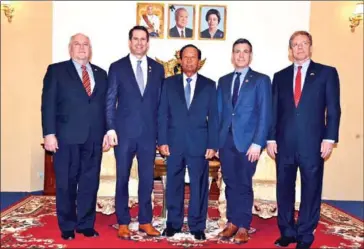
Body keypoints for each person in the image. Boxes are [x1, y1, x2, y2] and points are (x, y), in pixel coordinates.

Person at [267, 31, 341, 249]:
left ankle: (306, 233)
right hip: (284, 143)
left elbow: (334, 109)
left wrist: (329, 137)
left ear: (310, 47)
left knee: (311, 188)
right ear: (290, 50)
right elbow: (274, 111)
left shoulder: (326, 73)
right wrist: (271, 138)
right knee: (284, 189)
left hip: (314, 143)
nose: (299, 48)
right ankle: (287, 232)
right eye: (295, 44)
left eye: (304, 43)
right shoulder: (279, 76)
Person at [41, 33, 109, 240]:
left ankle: (86, 224)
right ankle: (68, 226)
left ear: (91, 49)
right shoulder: (57, 70)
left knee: (90, 182)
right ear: (70, 48)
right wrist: (49, 134)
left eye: (85, 45)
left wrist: (107, 131)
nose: (81, 48)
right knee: (66, 183)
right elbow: (48, 104)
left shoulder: (101, 73)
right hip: (66, 137)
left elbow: (105, 107)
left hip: (94, 138)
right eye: (77, 44)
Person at [105, 25, 165, 239]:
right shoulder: (117, 67)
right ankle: (123, 221)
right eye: (136, 39)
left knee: (147, 179)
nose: (140, 43)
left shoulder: (157, 69)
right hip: (124, 133)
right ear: (130, 42)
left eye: (143, 39)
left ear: (148, 43)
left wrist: (161, 135)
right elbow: (110, 100)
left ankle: (145, 221)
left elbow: (160, 105)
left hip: (149, 134)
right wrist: (110, 127)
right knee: (122, 177)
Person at [158, 44, 218, 240]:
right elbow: (162, 115)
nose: (189, 60)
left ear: (199, 61)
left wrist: (212, 144)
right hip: (174, 143)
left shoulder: (209, 85)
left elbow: (214, 117)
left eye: (193, 57)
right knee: (174, 183)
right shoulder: (168, 84)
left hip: (199, 144)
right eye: (186, 57)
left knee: (199, 185)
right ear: (180, 60)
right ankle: (173, 224)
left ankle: (197, 225)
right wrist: (163, 140)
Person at [216, 38, 272, 243]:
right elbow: (220, 114)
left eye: (245, 51)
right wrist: (216, 142)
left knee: (244, 183)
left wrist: (258, 143)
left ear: (251, 55)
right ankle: (231, 222)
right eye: (237, 51)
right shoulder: (222, 81)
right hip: (226, 142)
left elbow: (265, 113)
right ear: (232, 55)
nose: (241, 55)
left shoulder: (261, 80)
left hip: (249, 144)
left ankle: (243, 226)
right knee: (229, 182)